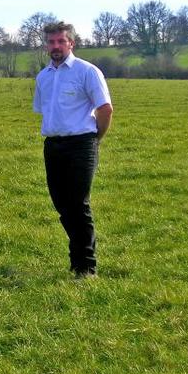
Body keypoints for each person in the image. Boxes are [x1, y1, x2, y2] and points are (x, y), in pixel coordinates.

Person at [33, 22, 113, 279]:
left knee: (78, 204)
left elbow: (105, 109)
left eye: (60, 41)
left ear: (71, 43)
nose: (55, 46)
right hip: (53, 145)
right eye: (51, 42)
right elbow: (44, 110)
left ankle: (86, 267)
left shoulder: (87, 72)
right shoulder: (43, 76)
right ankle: (77, 259)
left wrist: (95, 139)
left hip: (82, 144)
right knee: (62, 205)